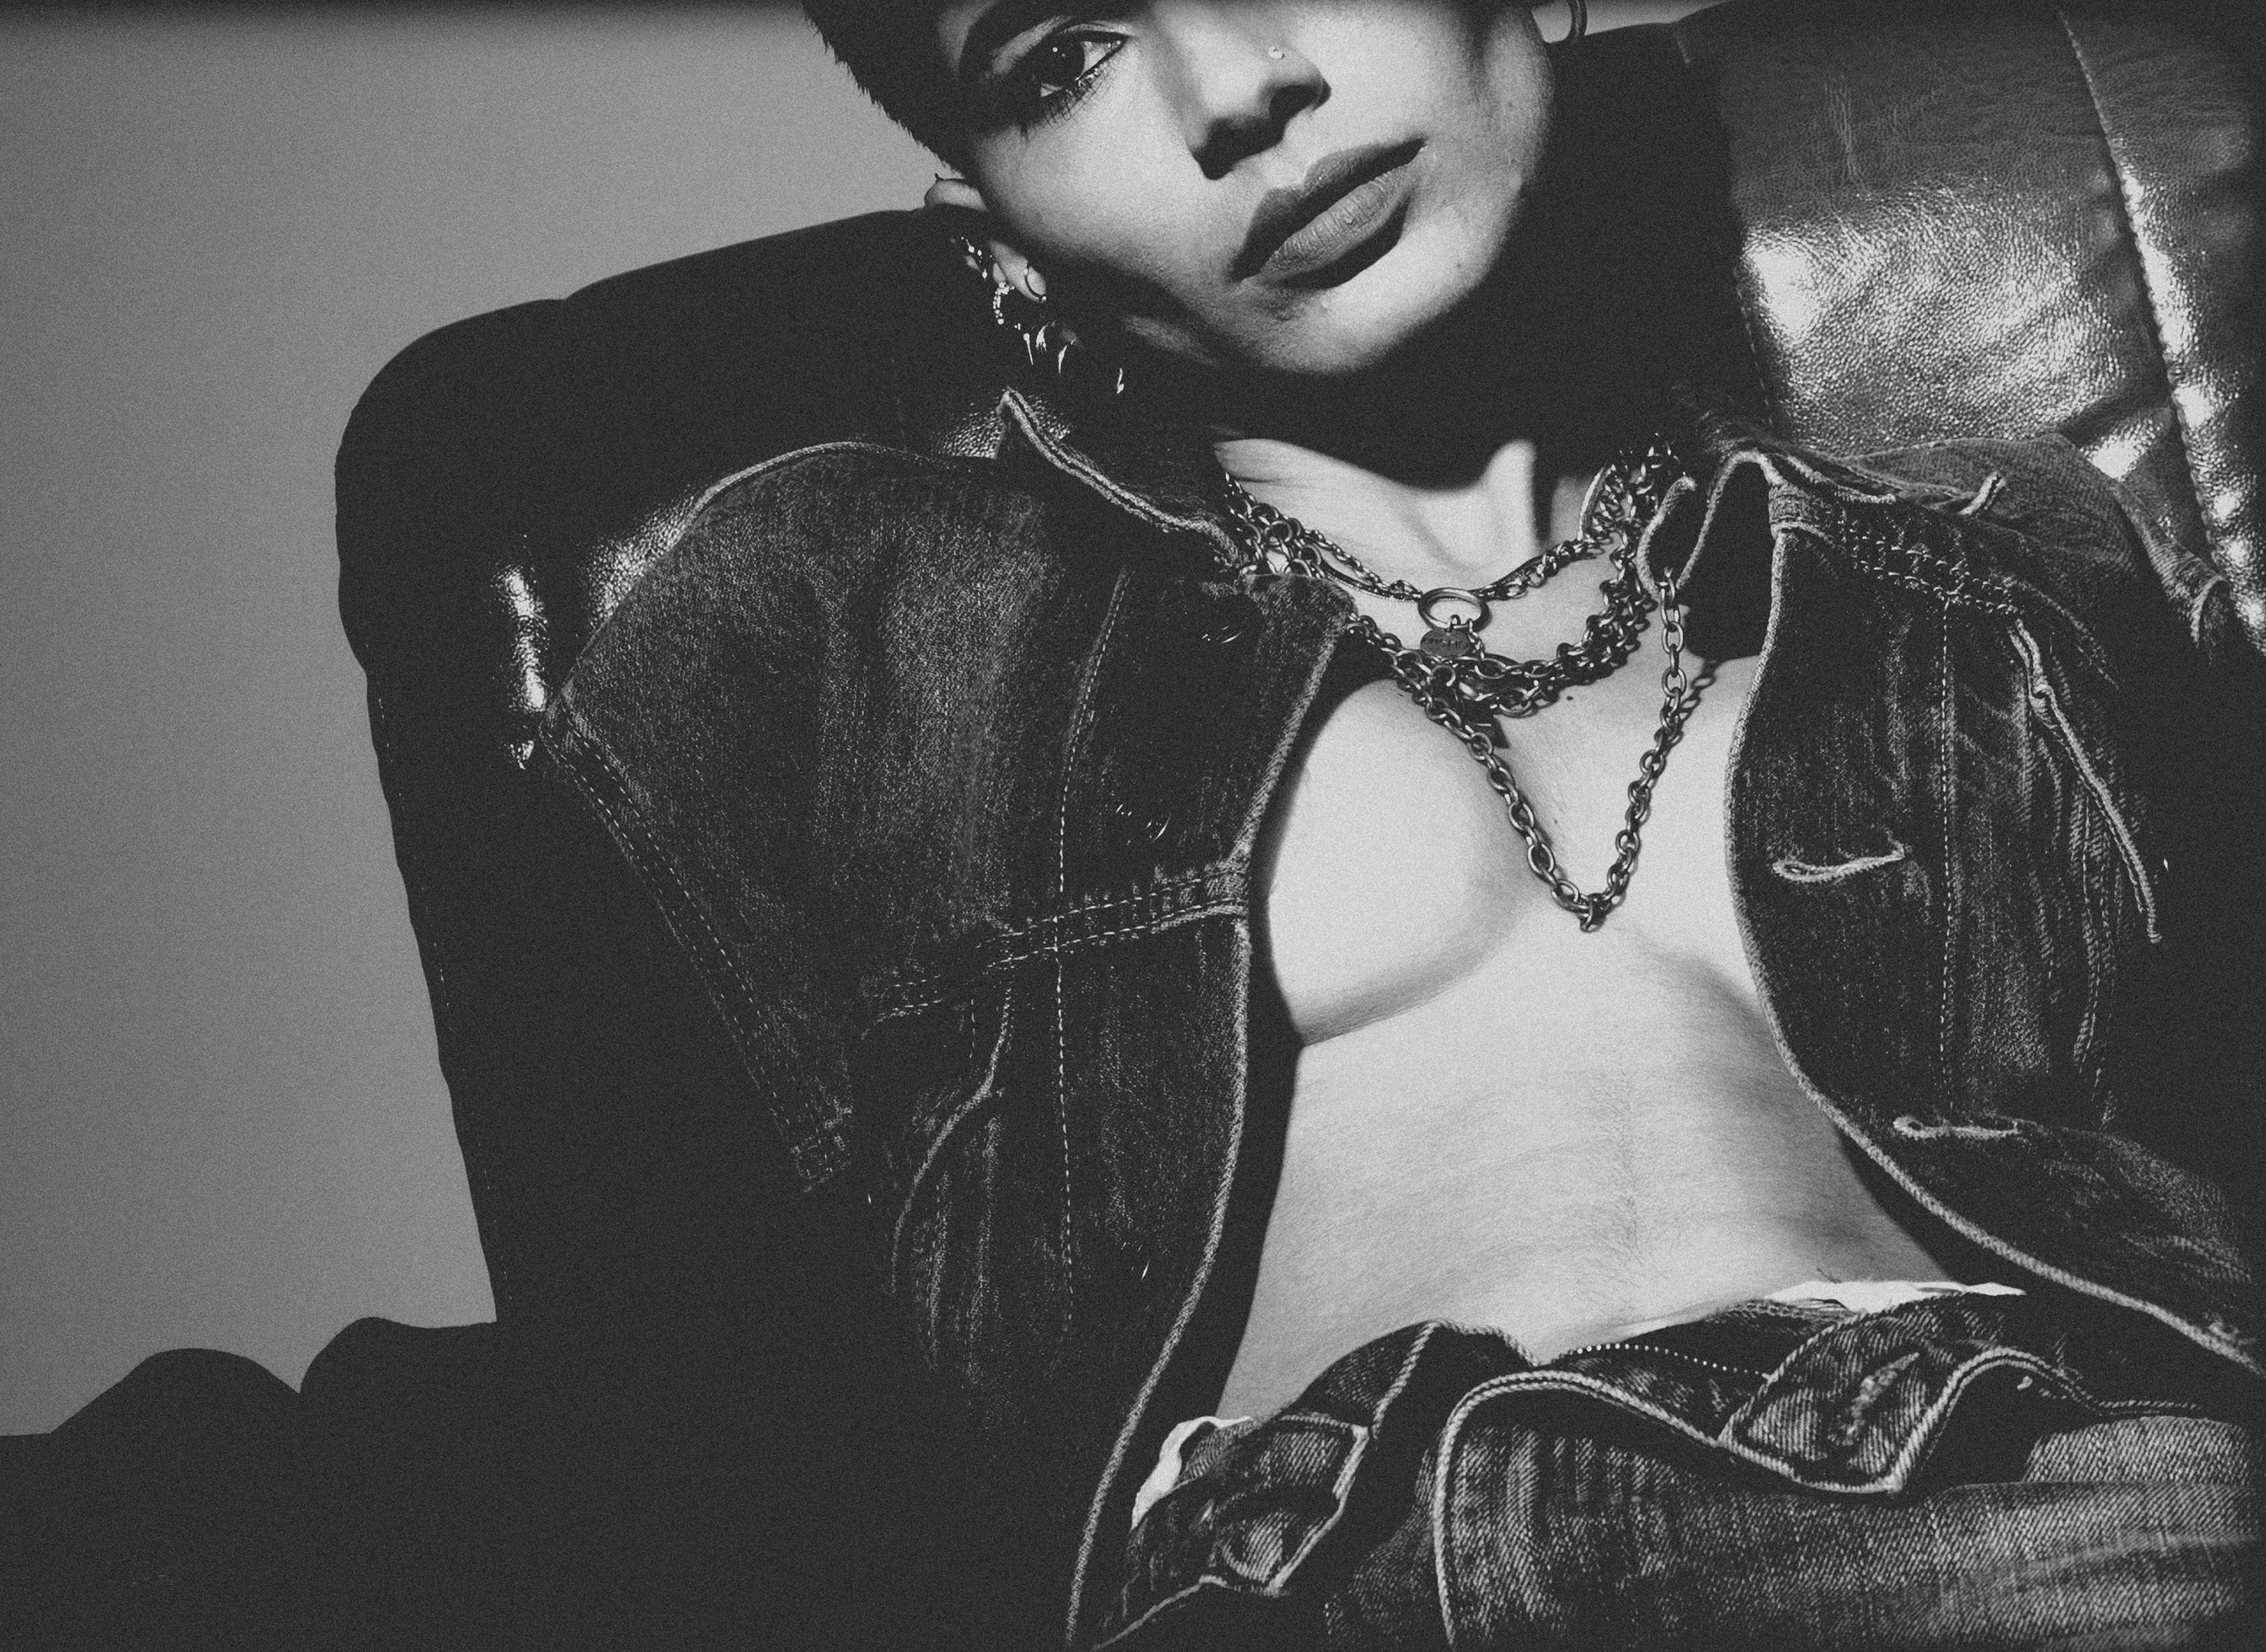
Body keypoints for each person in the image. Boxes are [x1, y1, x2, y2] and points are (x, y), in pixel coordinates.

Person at [504, 0, 2266, 1643]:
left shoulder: (2011, 562)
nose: (1235, 90)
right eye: (1064, 58)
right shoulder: (831, 614)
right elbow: (681, 1433)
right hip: (1301, 1567)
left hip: (2033, 1500)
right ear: (997, 228)